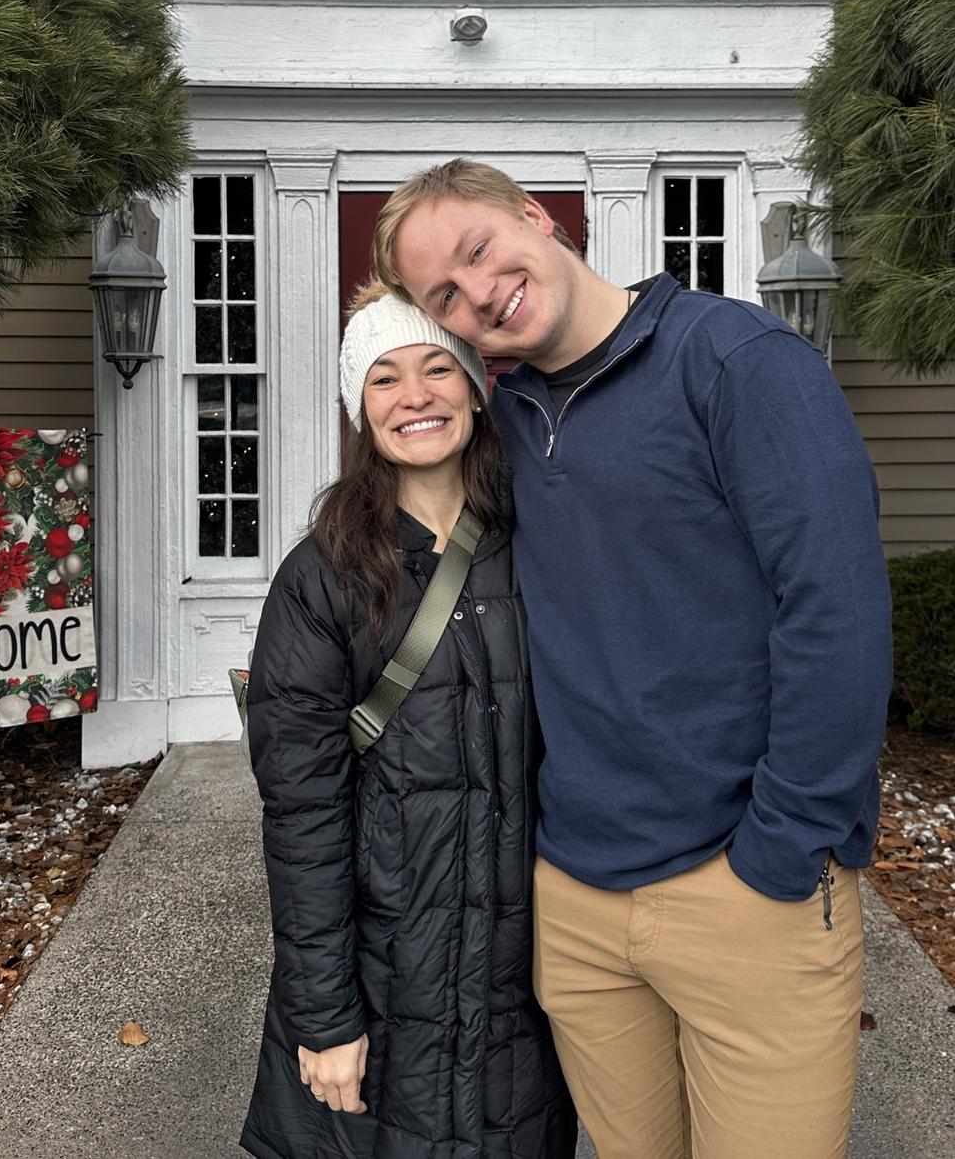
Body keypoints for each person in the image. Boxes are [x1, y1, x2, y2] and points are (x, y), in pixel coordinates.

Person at [371, 160, 894, 1159]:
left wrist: (784, 848)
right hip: (574, 899)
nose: (478, 292)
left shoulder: (739, 363)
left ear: (536, 217)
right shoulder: (504, 419)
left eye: (479, 250)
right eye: (445, 295)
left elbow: (838, 616)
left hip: (743, 884)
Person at [240, 280, 577, 1159]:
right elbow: (303, 815)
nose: (415, 395)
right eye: (384, 378)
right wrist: (323, 1016)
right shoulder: (321, 579)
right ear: (361, 408)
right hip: (387, 974)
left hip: (527, 976)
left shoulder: (549, 543)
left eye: (438, 368)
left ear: (475, 386)